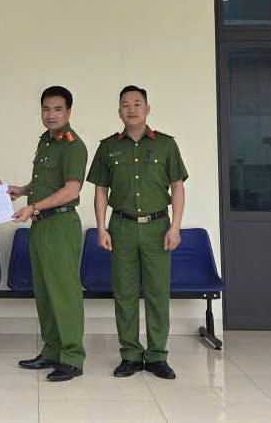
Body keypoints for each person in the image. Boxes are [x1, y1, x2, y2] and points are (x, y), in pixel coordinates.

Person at [86, 85, 188, 380]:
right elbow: (101, 190)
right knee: (125, 293)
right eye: (125, 105)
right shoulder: (108, 147)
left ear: (147, 108)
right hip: (122, 227)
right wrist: (101, 227)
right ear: (119, 111)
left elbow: (177, 187)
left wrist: (175, 226)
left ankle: (157, 356)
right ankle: (130, 355)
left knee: (158, 293)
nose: (131, 109)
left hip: (158, 227)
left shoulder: (166, 145)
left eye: (137, 103)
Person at [7, 86, 88, 382]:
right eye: (46, 109)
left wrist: (33, 206)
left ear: (68, 112)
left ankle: (72, 357)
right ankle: (52, 350)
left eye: (57, 109)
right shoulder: (46, 141)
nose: (51, 115)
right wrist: (23, 190)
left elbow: (71, 190)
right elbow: (47, 181)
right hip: (40, 224)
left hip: (60, 224)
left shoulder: (72, 145)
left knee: (64, 292)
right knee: (44, 292)